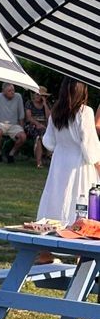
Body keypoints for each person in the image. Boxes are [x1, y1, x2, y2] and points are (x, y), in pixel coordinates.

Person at [36, 77, 100, 229]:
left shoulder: (56, 112)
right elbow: (90, 149)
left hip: (59, 161)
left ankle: (48, 241)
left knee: (55, 198)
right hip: (79, 164)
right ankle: (75, 238)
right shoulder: (85, 112)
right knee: (77, 199)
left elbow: (49, 142)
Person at [0, 82, 26, 163]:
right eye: (9, 90)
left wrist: (22, 127)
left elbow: (21, 113)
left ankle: (11, 154)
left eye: (13, 90)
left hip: (13, 124)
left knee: (23, 137)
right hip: (0, 123)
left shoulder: (18, 97)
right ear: (3, 91)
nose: (12, 92)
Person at [25, 86, 52, 169]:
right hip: (32, 125)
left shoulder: (46, 104)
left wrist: (44, 104)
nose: (37, 96)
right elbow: (29, 118)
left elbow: (49, 117)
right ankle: (39, 162)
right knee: (39, 136)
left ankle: (49, 158)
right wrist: (37, 124)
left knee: (44, 135)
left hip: (44, 126)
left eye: (40, 95)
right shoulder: (29, 103)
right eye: (36, 94)